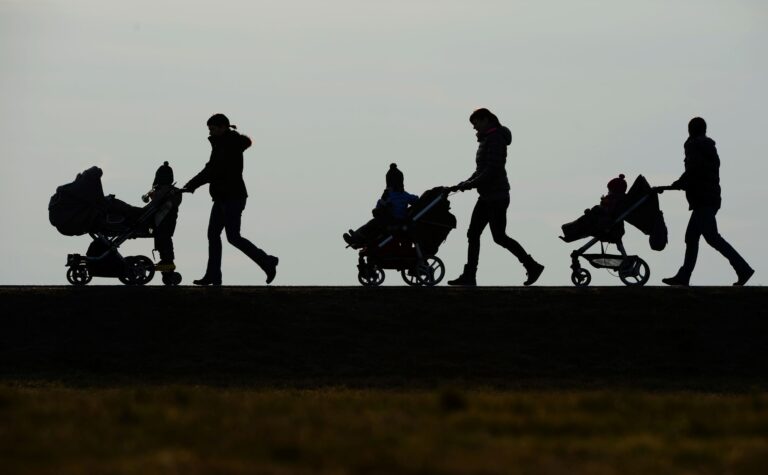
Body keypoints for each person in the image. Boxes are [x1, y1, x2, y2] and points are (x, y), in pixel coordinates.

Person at [447, 108, 544, 286]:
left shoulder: (495, 139)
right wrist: (465, 183)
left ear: (486, 120)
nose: (474, 127)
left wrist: (470, 184)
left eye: (476, 122)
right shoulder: (488, 139)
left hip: (496, 196)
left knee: (498, 236)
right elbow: (481, 170)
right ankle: (469, 275)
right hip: (487, 196)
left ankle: (532, 266)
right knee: (474, 234)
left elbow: (492, 169)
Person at [184, 113, 279, 286]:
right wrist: (191, 185)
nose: (210, 132)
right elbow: (211, 168)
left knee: (233, 237)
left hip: (233, 197)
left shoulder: (228, 145)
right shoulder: (222, 144)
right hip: (222, 197)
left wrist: (191, 185)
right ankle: (213, 275)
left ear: (223, 127)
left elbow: (212, 170)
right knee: (214, 235)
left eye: (212, 129)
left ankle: (267, 261)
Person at [658, 117, 753, 286]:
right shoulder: (707, 146)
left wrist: (679, 183)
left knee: (712, 237)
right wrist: (680, 183)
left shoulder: (695, 145)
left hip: (703, 199)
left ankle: (743, 268)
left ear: (691, 130)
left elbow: (694, 170)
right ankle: (684, 276)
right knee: (692, 237)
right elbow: (699, 171)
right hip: (708, 198)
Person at [343, 163, 419, 247]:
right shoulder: (397, 195)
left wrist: (380, 208)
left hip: (395, 221)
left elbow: (379, 206)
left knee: (373, 223)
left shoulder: (395, 195)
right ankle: (356, 236)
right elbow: (415, 200)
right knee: (373, 223)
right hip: (390, 219)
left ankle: (357, 238)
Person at [142, 161, 181, 274]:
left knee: (163, 238)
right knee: (162, 238)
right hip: (164, 219)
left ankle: (168, 261)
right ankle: (165, 261)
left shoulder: (167, 191)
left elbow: (156, 203)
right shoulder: (173, 191)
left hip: (164, 218)